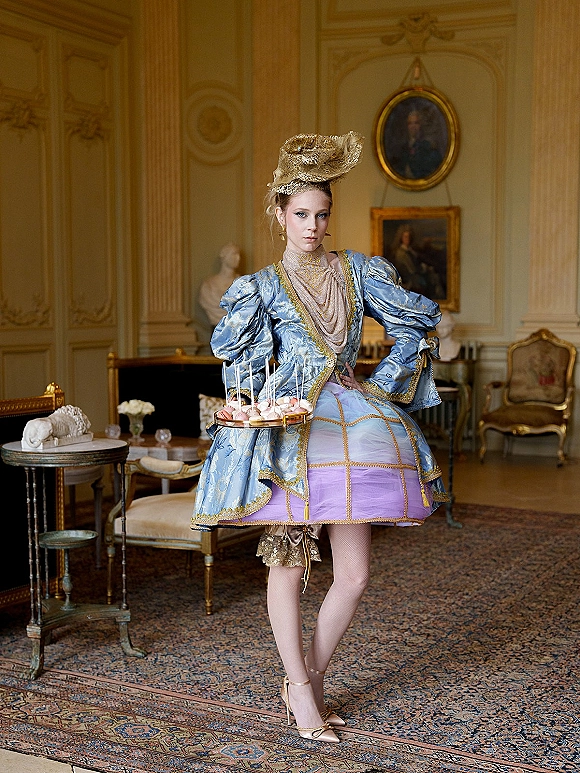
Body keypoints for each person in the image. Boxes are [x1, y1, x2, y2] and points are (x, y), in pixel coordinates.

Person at [193, 131, 447, 744]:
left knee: (354, 574)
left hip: (352, 424)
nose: (312, 226)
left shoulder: (360, 271)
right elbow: (246, 369)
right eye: (300, 214)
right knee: (287, 566)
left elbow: (419, 320)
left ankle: (306, 675)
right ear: (279, 214)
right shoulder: (261, 287)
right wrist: (258, 401)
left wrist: (383, 386)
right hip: (290, 431)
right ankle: (305, 692)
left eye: (321, 215)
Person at [390, 109, 443, 180]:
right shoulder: (403, 148)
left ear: (420, 125)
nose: (413, 126)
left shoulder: (428, 146)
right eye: (410, 123)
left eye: (416, 123)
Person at [199, 242, 241, 326]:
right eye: (233, 254)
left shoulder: (243, 284)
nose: (238, 258)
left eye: (238, 254)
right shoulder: (209, 285)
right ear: (224, 257)